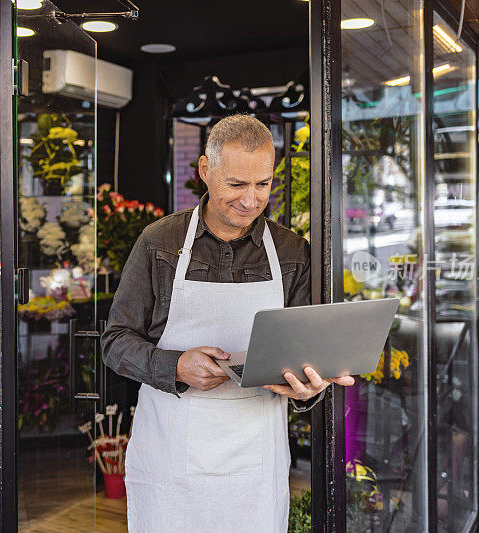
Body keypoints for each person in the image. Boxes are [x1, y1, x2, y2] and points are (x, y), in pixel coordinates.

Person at [102, 114, 355, 532]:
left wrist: (309, 388)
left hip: (255, 467)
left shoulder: (293, 252)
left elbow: (307, 355)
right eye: (236, 184)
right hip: (170, 460)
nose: (251, 200)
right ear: (205, 170)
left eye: (263, 184)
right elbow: (115, 342)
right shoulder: (159, 243)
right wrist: (176, 365)